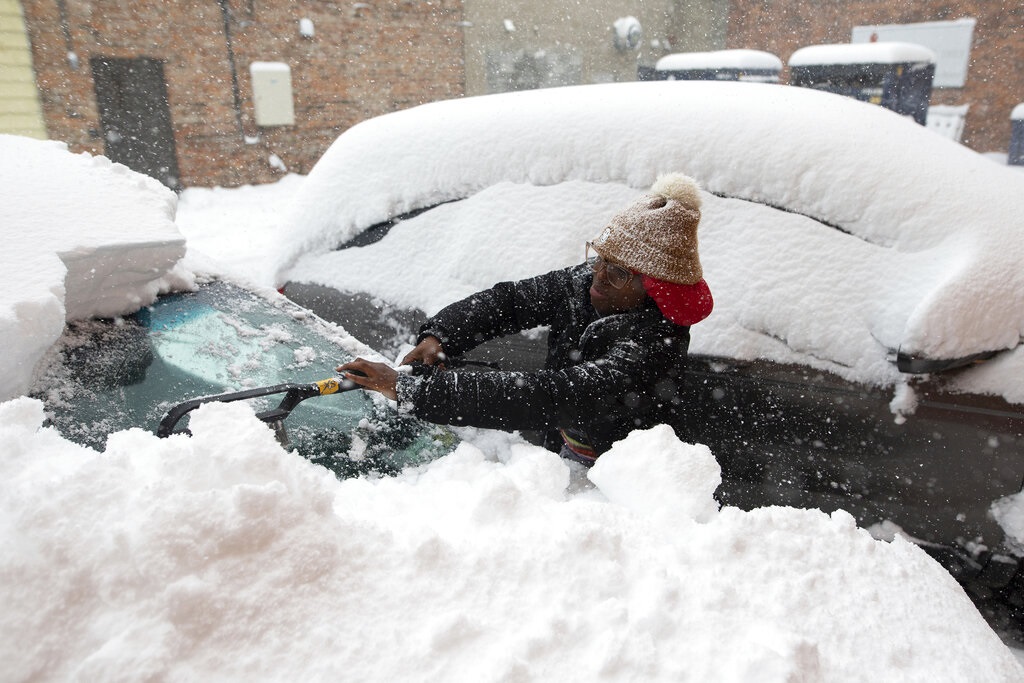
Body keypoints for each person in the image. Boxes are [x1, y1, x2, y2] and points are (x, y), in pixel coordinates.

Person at [337, 173, 713, 465]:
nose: (597, 275)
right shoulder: (585, 283)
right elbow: (511, 301)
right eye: (599, 258)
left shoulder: (652, 345)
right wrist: (441, 336)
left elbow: (546, 396)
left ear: (654, 288)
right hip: (564, 451)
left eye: (618, 273)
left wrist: (411, 391)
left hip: (626, 477)